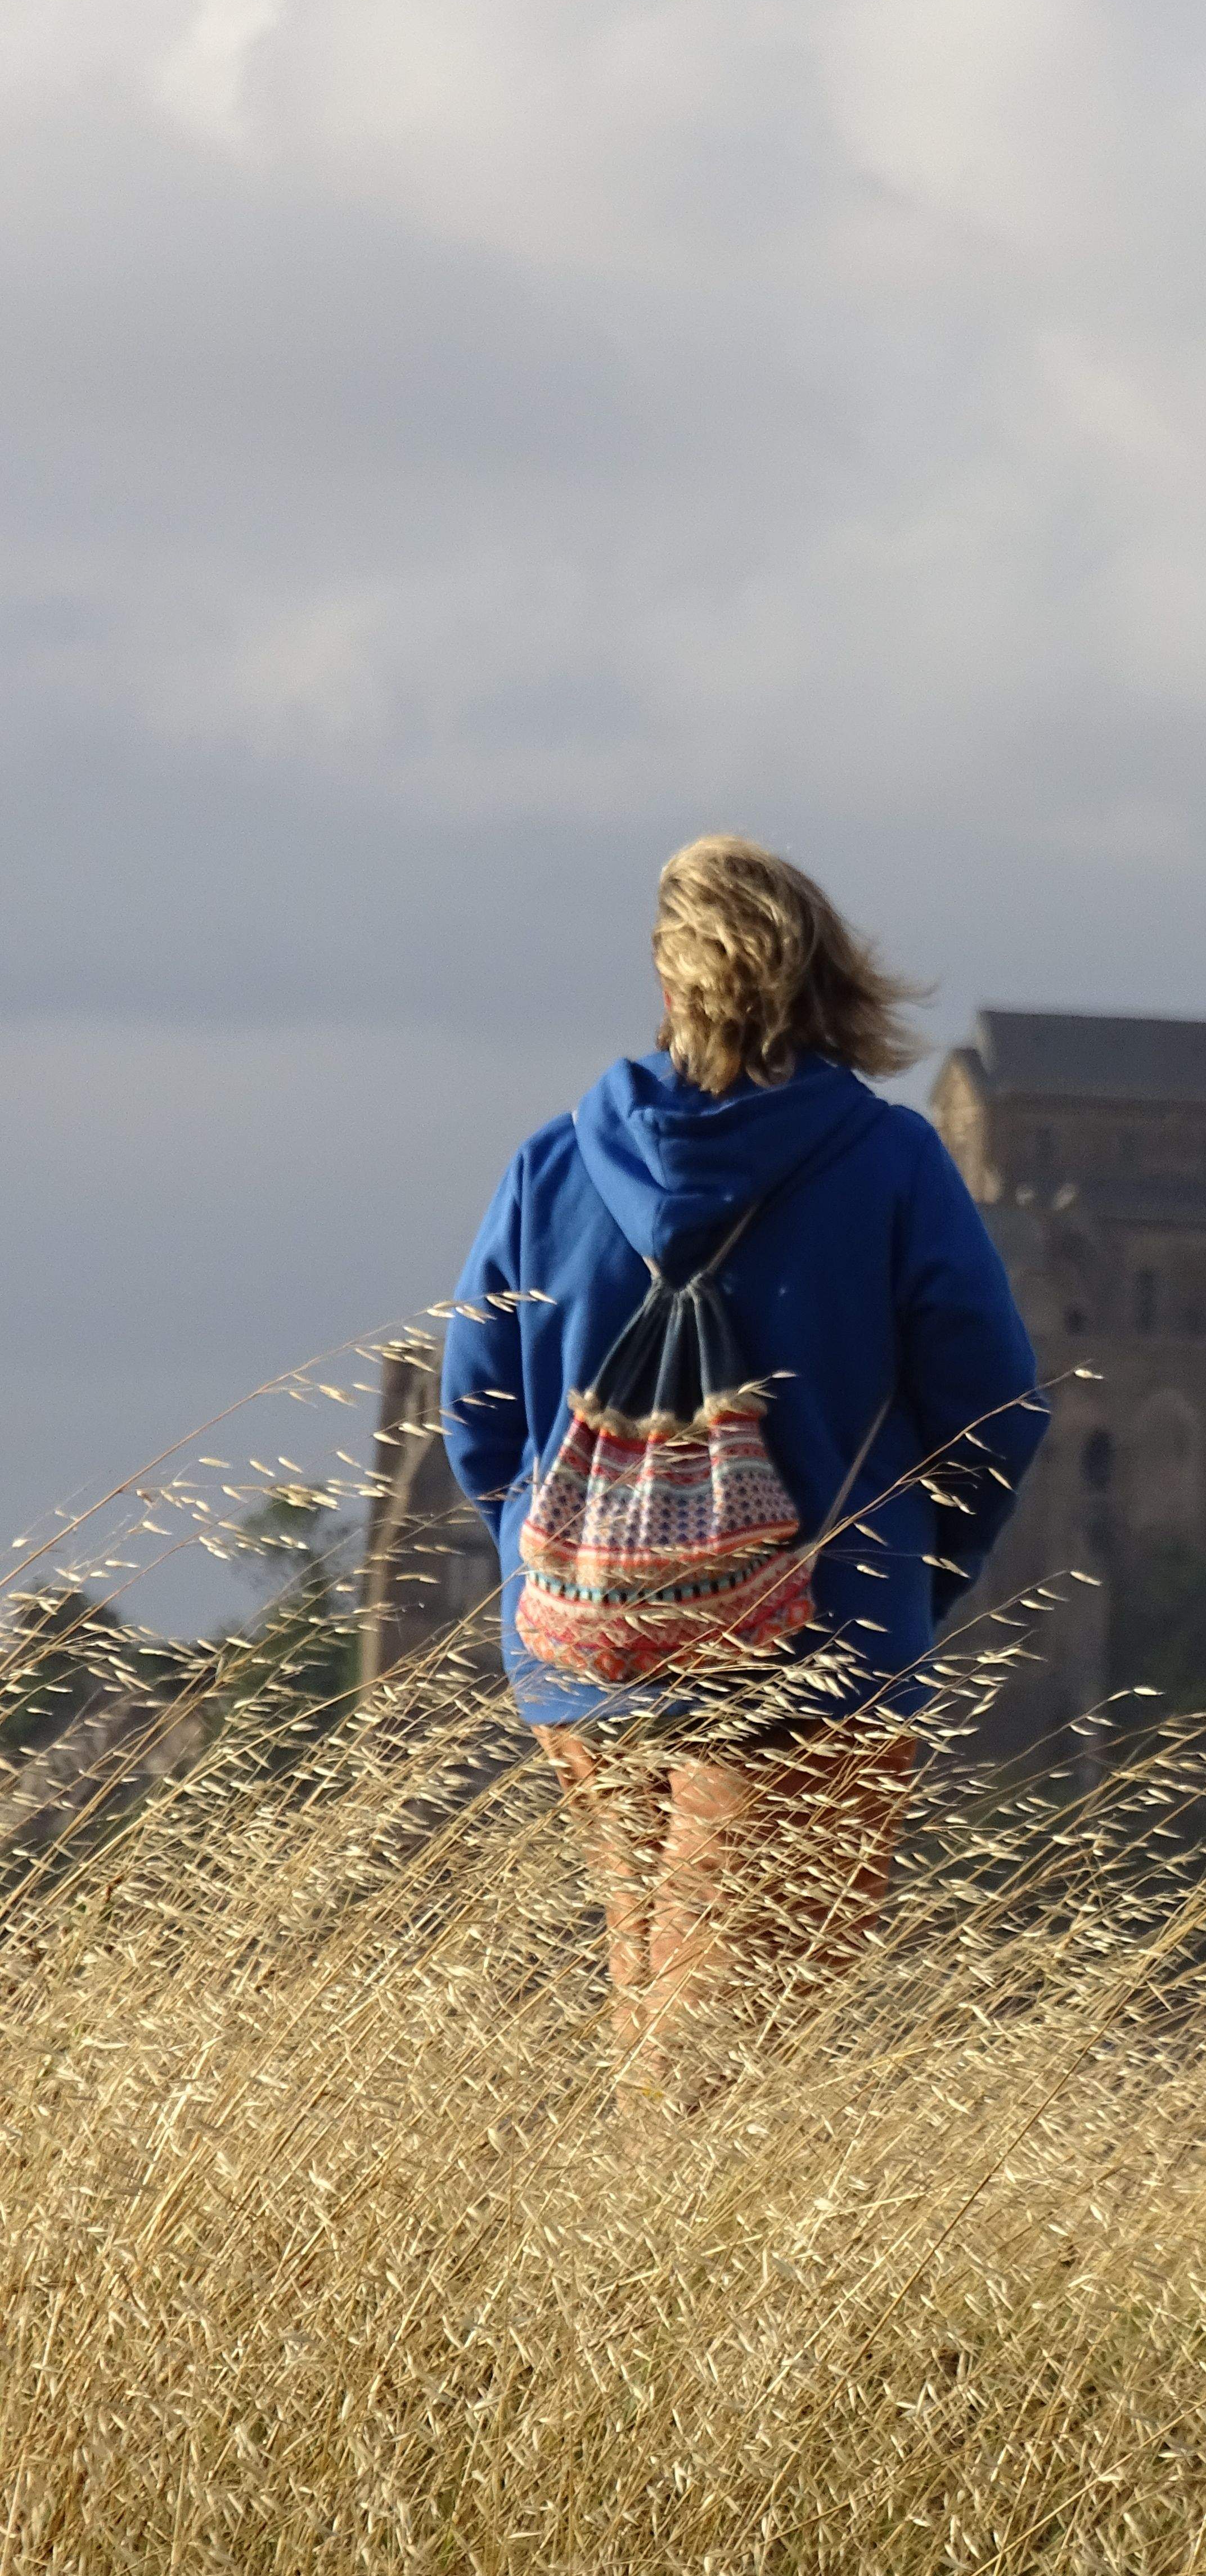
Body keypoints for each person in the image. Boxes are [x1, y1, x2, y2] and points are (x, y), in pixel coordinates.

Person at [440, 835, 1047, 2087]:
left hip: (588, 1654)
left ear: (672, 988)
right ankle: (650, 2275)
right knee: (726, 2065)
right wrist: (909, 1587)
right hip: (814, 1660)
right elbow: (992, 1409)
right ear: (832, 984)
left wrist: (582, 1569)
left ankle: (611, 2272)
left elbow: (475, 1415)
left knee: (653, 2015)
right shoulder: (889, 1165)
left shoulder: (550, 1167)